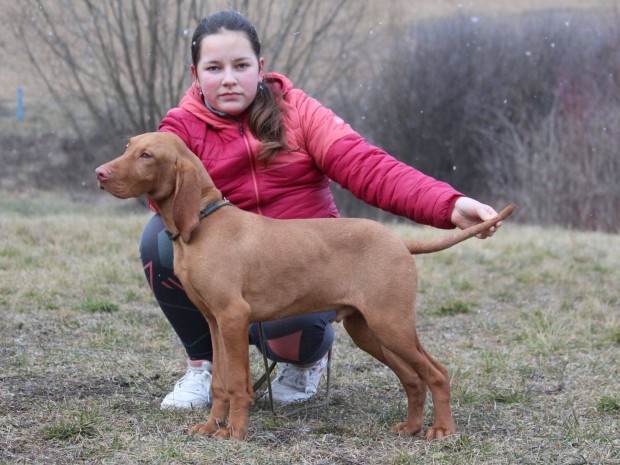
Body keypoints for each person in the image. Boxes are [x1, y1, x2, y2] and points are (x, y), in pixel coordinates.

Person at [139, 10, 502, 410]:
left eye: (240, 66)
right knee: (158, 241)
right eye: (214, 67)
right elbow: (152, 181)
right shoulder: (180, 129)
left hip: (309, 263)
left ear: (260, 68)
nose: (228, 78)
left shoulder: (299, 113)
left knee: (291, 334)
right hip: (228, 264)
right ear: (195, 74)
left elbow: (367, 166)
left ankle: (304, 362)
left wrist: (449, 205)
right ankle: (203, 365)